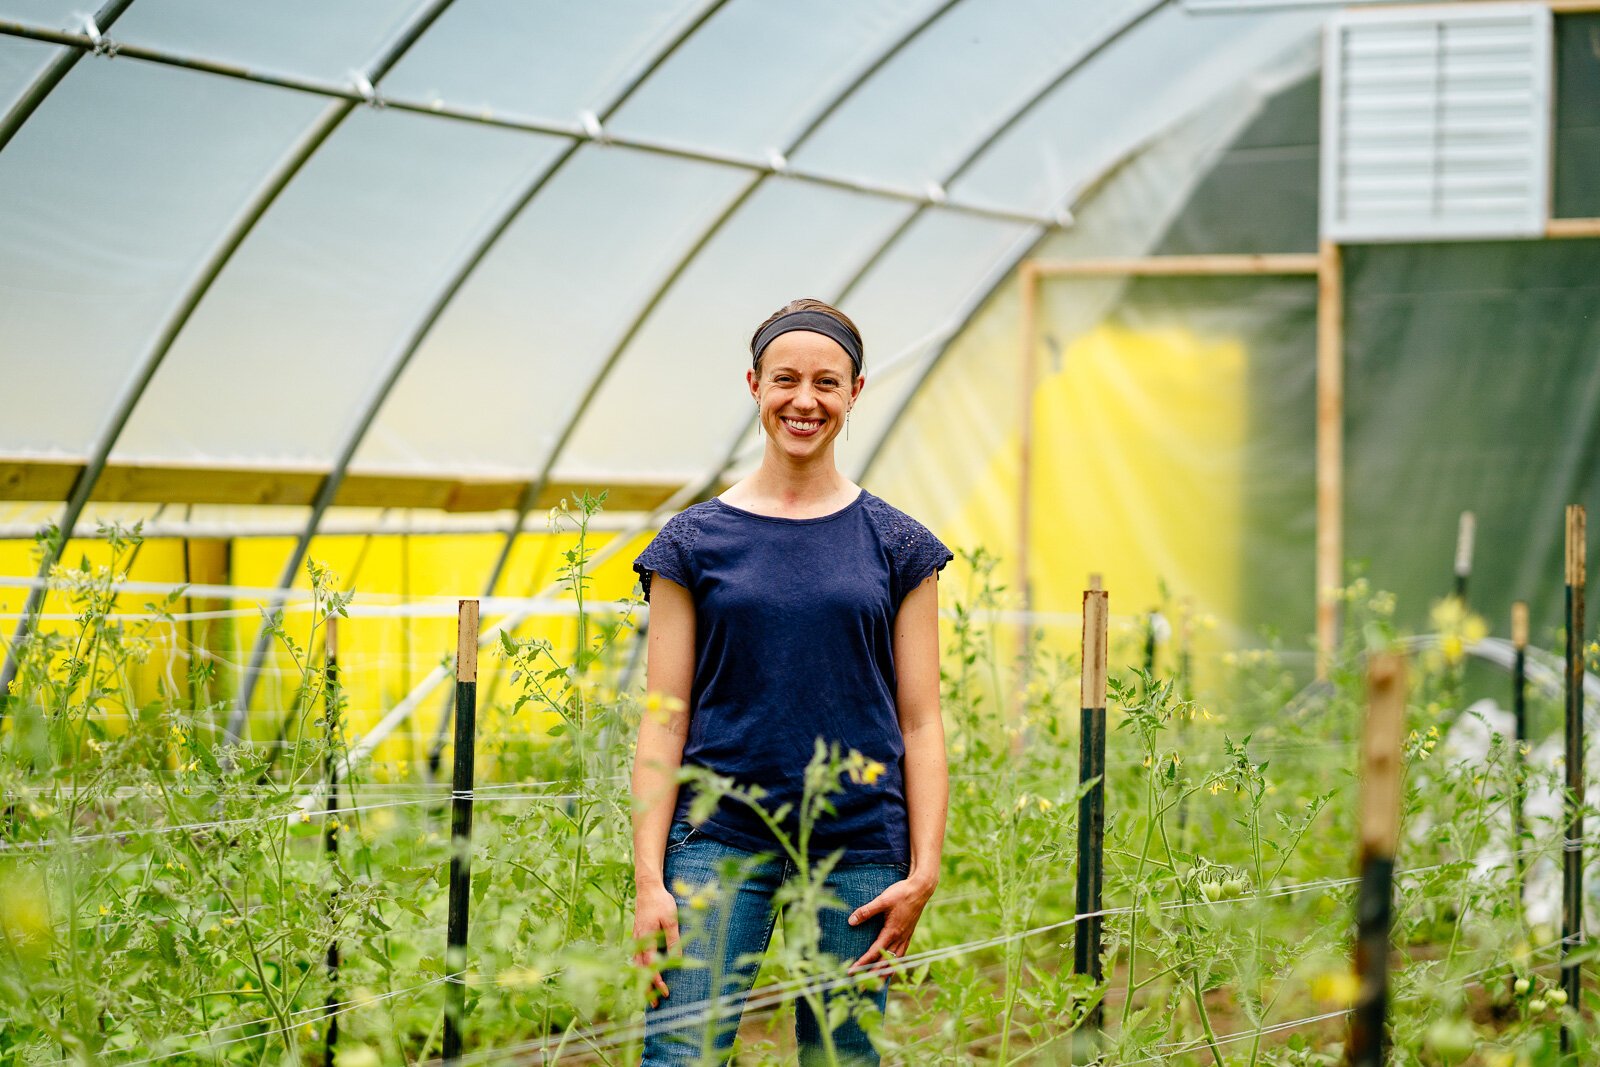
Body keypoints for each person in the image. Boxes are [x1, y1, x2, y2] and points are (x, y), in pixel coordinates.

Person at [629, 298, 952, 1065]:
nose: (804, 400)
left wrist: (924, 869)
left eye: (826, 383)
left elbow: (921, 721)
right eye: (785, 380)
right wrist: (649, 875)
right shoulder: (693, 540)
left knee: (840, 1055)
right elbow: (665, 717)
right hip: (720, 836)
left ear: (855, 392)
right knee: (682, 1051)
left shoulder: (898, 543)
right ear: (753, 384)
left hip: (859, 843)